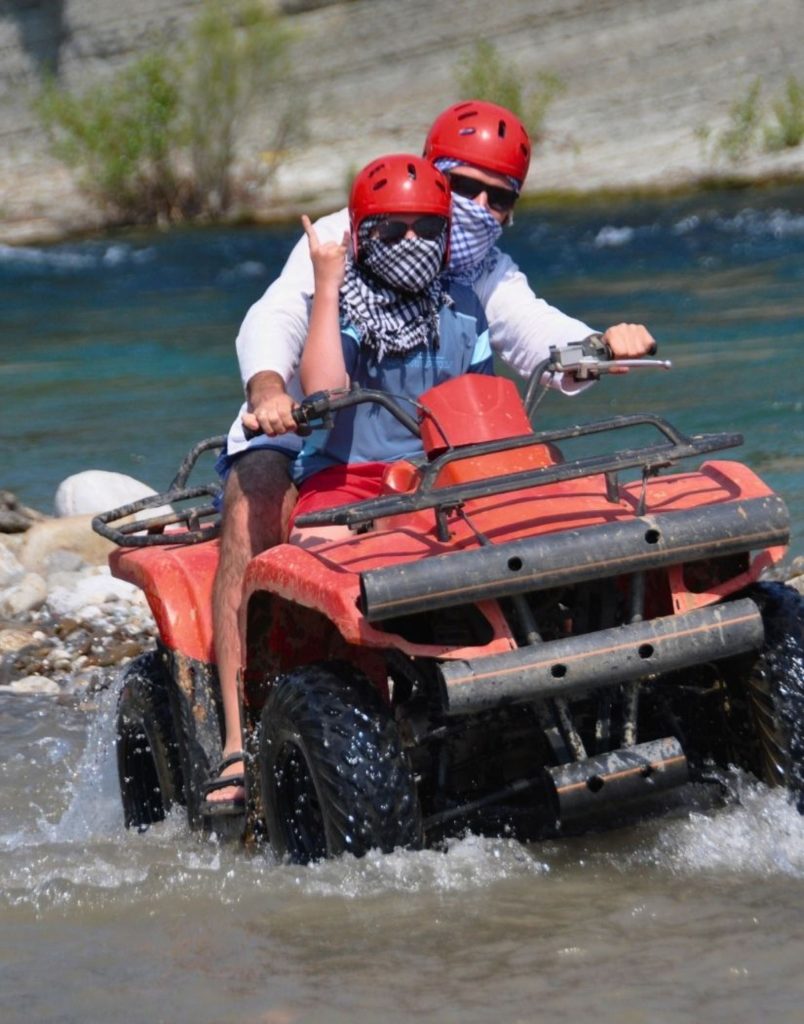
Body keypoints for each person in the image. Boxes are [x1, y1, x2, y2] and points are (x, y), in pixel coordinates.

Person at [205, 100, 656, 813]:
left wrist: (604, 344)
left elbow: (534, 329)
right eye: (464, 185)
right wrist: (266, 387)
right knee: (258, 487)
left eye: (498, 197)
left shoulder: (480, 265)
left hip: (424, 443)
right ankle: (235, 737)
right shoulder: (349, 233)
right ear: (430, 172)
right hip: (304, 425)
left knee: (522, 505)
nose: (478, 206)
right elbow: (275, 319)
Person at [291, 154, 493, 530]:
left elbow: (485, 414)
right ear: (365, 237)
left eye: (429, 228)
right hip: (347, 477)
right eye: (393, 230)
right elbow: (323, 391)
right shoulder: (350, 306)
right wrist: (327, 286)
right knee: (318, 543)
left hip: (439, 476)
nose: (412, 241)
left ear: (446, 236)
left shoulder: (464, 307)